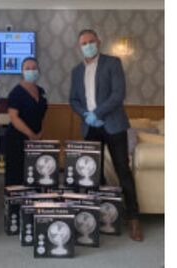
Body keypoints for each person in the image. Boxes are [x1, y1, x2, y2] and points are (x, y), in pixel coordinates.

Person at [69, 29, 143, 241]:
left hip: (113, 125)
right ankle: (98, 217)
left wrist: (97, 113)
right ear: (79, 46)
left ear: (98, 42)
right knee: (93, 174)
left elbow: (118, 94)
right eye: (84, 43)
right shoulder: (76, 71)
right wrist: (85, 115)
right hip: (90, 127)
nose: (88, 45)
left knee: (123, 171)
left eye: (91, 41)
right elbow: (73, 100)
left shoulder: (113, 63)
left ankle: (133, 219)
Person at [4, 57, 48, 186]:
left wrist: (40, 133)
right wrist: (31, 135)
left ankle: (30, 204)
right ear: (22, 71)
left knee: (33, 173)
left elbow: (43, 114)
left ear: (38, 71)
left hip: (36, 139)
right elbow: (13, 117)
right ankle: (14, 206)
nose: (31, 71)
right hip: (17, 140)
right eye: (27, 69)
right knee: (16, 175)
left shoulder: (41, 91)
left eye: (34, 68)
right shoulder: (16, 92)